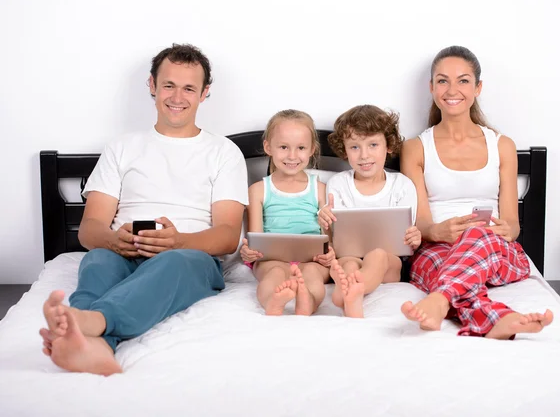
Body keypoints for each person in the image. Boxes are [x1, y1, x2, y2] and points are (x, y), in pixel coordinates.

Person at [39, 43, 249, 375]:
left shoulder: (224, 152)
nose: (177, 96)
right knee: (97, 260)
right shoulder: (122, 147)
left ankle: (91, 321)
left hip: (189, 256)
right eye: (168, 85)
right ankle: (89, 345)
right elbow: (90, 229)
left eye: (189, 88)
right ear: (152, 85)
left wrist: (178, 241)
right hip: (123, 251)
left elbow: (226, 237)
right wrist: (112, 240)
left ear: (204, 93)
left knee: (174, 263)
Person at [400, 45, 553, 339]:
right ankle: (498, 320)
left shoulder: (502, 145)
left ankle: (439, 300)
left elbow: (512, 224)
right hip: (437, 251)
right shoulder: (416, 147)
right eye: (442, 80)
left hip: (495, 251)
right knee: (442, 265)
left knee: (475, 234)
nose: (452, 89)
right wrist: (437, 231)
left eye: (463, 80)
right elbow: (420, 224)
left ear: (478, 87)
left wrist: (500, 230)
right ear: (431, 87)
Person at [318, 105, 422, 318]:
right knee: (345, 263)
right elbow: (332, 242)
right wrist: (325, 224)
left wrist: (415, 237)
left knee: (378, 255)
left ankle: (353, 289)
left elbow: (407, 239)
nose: (364, 155)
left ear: (388, 146)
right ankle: (349, 293)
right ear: (345, 150)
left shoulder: (402, 185)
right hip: (350, 255)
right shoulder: (338, 184)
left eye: (373, 145)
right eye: (354, 147)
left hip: (391, 263)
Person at [240, 109, 335, 316]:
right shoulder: (257, 190)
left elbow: (329, 239)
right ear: (268, 147)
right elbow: (256, 239)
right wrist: (250, 251)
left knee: (312, 274)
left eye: (301, 147)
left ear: (312, 149)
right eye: (284, 147)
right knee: (274, 273)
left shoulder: (321, 189)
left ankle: (307, 301)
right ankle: (272, 301)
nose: (292, 156)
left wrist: (329, 253)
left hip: (313, 260)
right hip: (271, 259)